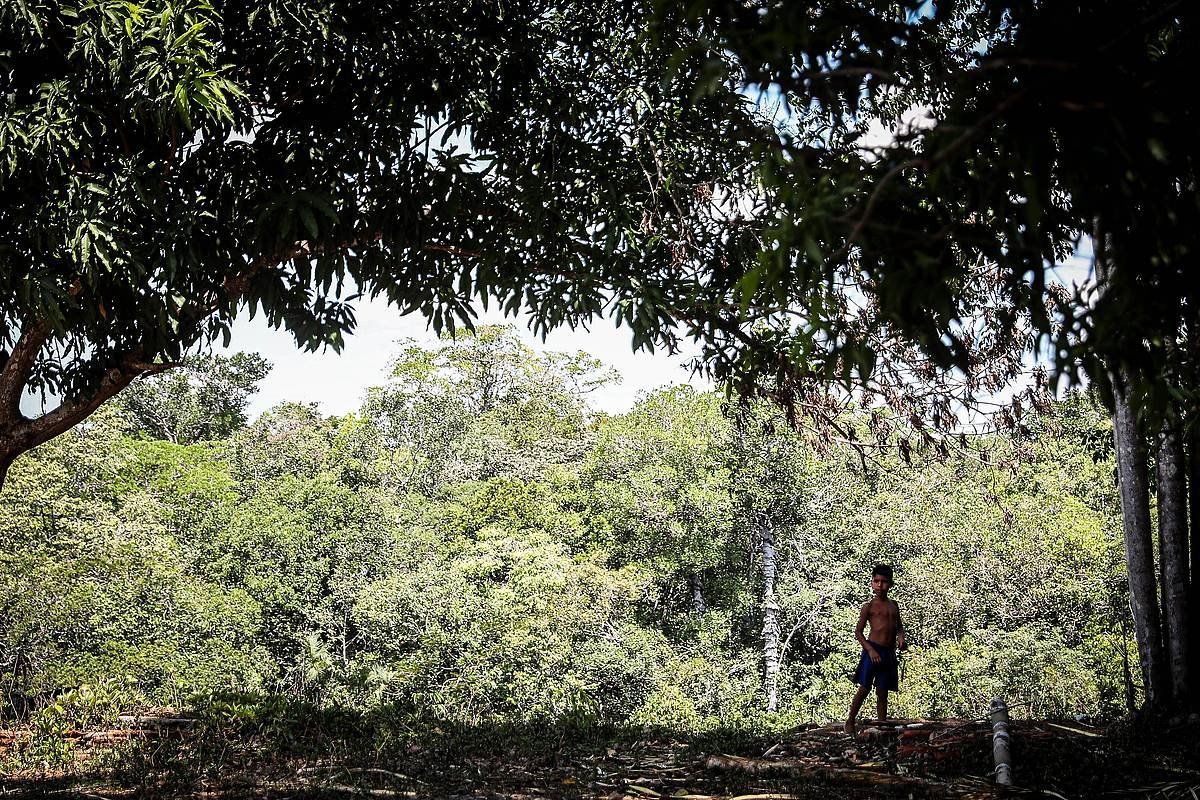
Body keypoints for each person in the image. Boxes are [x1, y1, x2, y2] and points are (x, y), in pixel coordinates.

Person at [844, 563, 906, 737]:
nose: (880, 585)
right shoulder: (868, 607)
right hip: (873, 650)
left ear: (890, 584)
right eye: (876, 581)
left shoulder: (894, 605)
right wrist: (870, 650)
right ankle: (850, 720)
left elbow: (899, 627)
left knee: (882, 690)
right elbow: (858, 632)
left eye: (884, 582)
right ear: (872, 583)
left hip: (888, 652)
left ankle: (881, 724)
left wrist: (901, 638)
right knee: (864, 688)